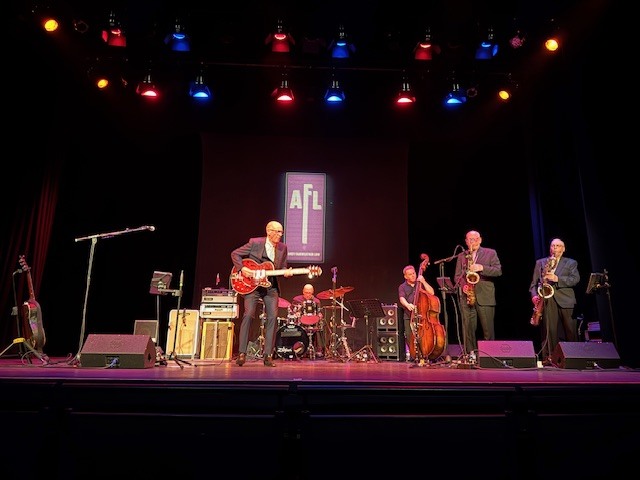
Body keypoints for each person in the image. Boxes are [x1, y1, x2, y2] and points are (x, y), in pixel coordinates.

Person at [231, 221, 293, 367]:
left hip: (271, 288)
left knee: (273, 317)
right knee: (248, 315)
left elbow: (282, 267)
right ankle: (242, 353)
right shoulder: (255, 243)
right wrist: (242, 269)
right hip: (252, 286)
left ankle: (268, 355)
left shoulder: (283, 248)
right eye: (277, 231)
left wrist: (286, 272)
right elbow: (235, 254)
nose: (280, 235)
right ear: (268, 231)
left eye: (281, 232)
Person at [529, 238, 580, 365]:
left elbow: (575, 279)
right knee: (549, 330)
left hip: (566, 299)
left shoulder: (571, 262)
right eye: (553, 246)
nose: (555, 248)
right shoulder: (540, 262)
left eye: (558, 246)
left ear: (563, 249)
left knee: (570, 330)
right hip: (547, 300)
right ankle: (549, 358)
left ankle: (574, 357)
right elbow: (533, 284)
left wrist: (557, 278)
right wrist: (534, 296)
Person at [454, 230, 502, 355]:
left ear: (480, 240)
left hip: (484, 295)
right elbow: (457, 276)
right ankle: (471, 355)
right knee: (468, 329)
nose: (472, 242)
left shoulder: (490, 253)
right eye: (470, 239)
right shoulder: (461, 256)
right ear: (466, 241)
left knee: (488, 330)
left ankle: (490, 355)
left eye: (475, 239)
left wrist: (481, 268)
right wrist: (463, 286)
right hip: (467, 296)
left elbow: (498, 271)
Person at [398, 264, 436, 361]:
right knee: (409, 336)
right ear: (405, 276)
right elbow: (402, 298)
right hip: (409, 315)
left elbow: (432, 293)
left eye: (414, 273)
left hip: (423, 315)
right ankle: (414, 356)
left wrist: (424, 281)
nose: (413, 275)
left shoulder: (420, 284)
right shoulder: (402, 287)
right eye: (410, 274)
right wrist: (407, 305)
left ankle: (425, 354)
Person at [291, 283, 325, 358]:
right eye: (306, 292)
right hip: (300, 322)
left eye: (309, 293)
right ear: (303, 291)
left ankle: (319, 349)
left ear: (312, 292)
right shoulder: (297, 299)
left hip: (313, 323)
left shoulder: (316, 301)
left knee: (320, 327)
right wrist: (296, 313)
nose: (308, 294)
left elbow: (319, 312)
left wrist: (320, 315)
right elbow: (292, 311)